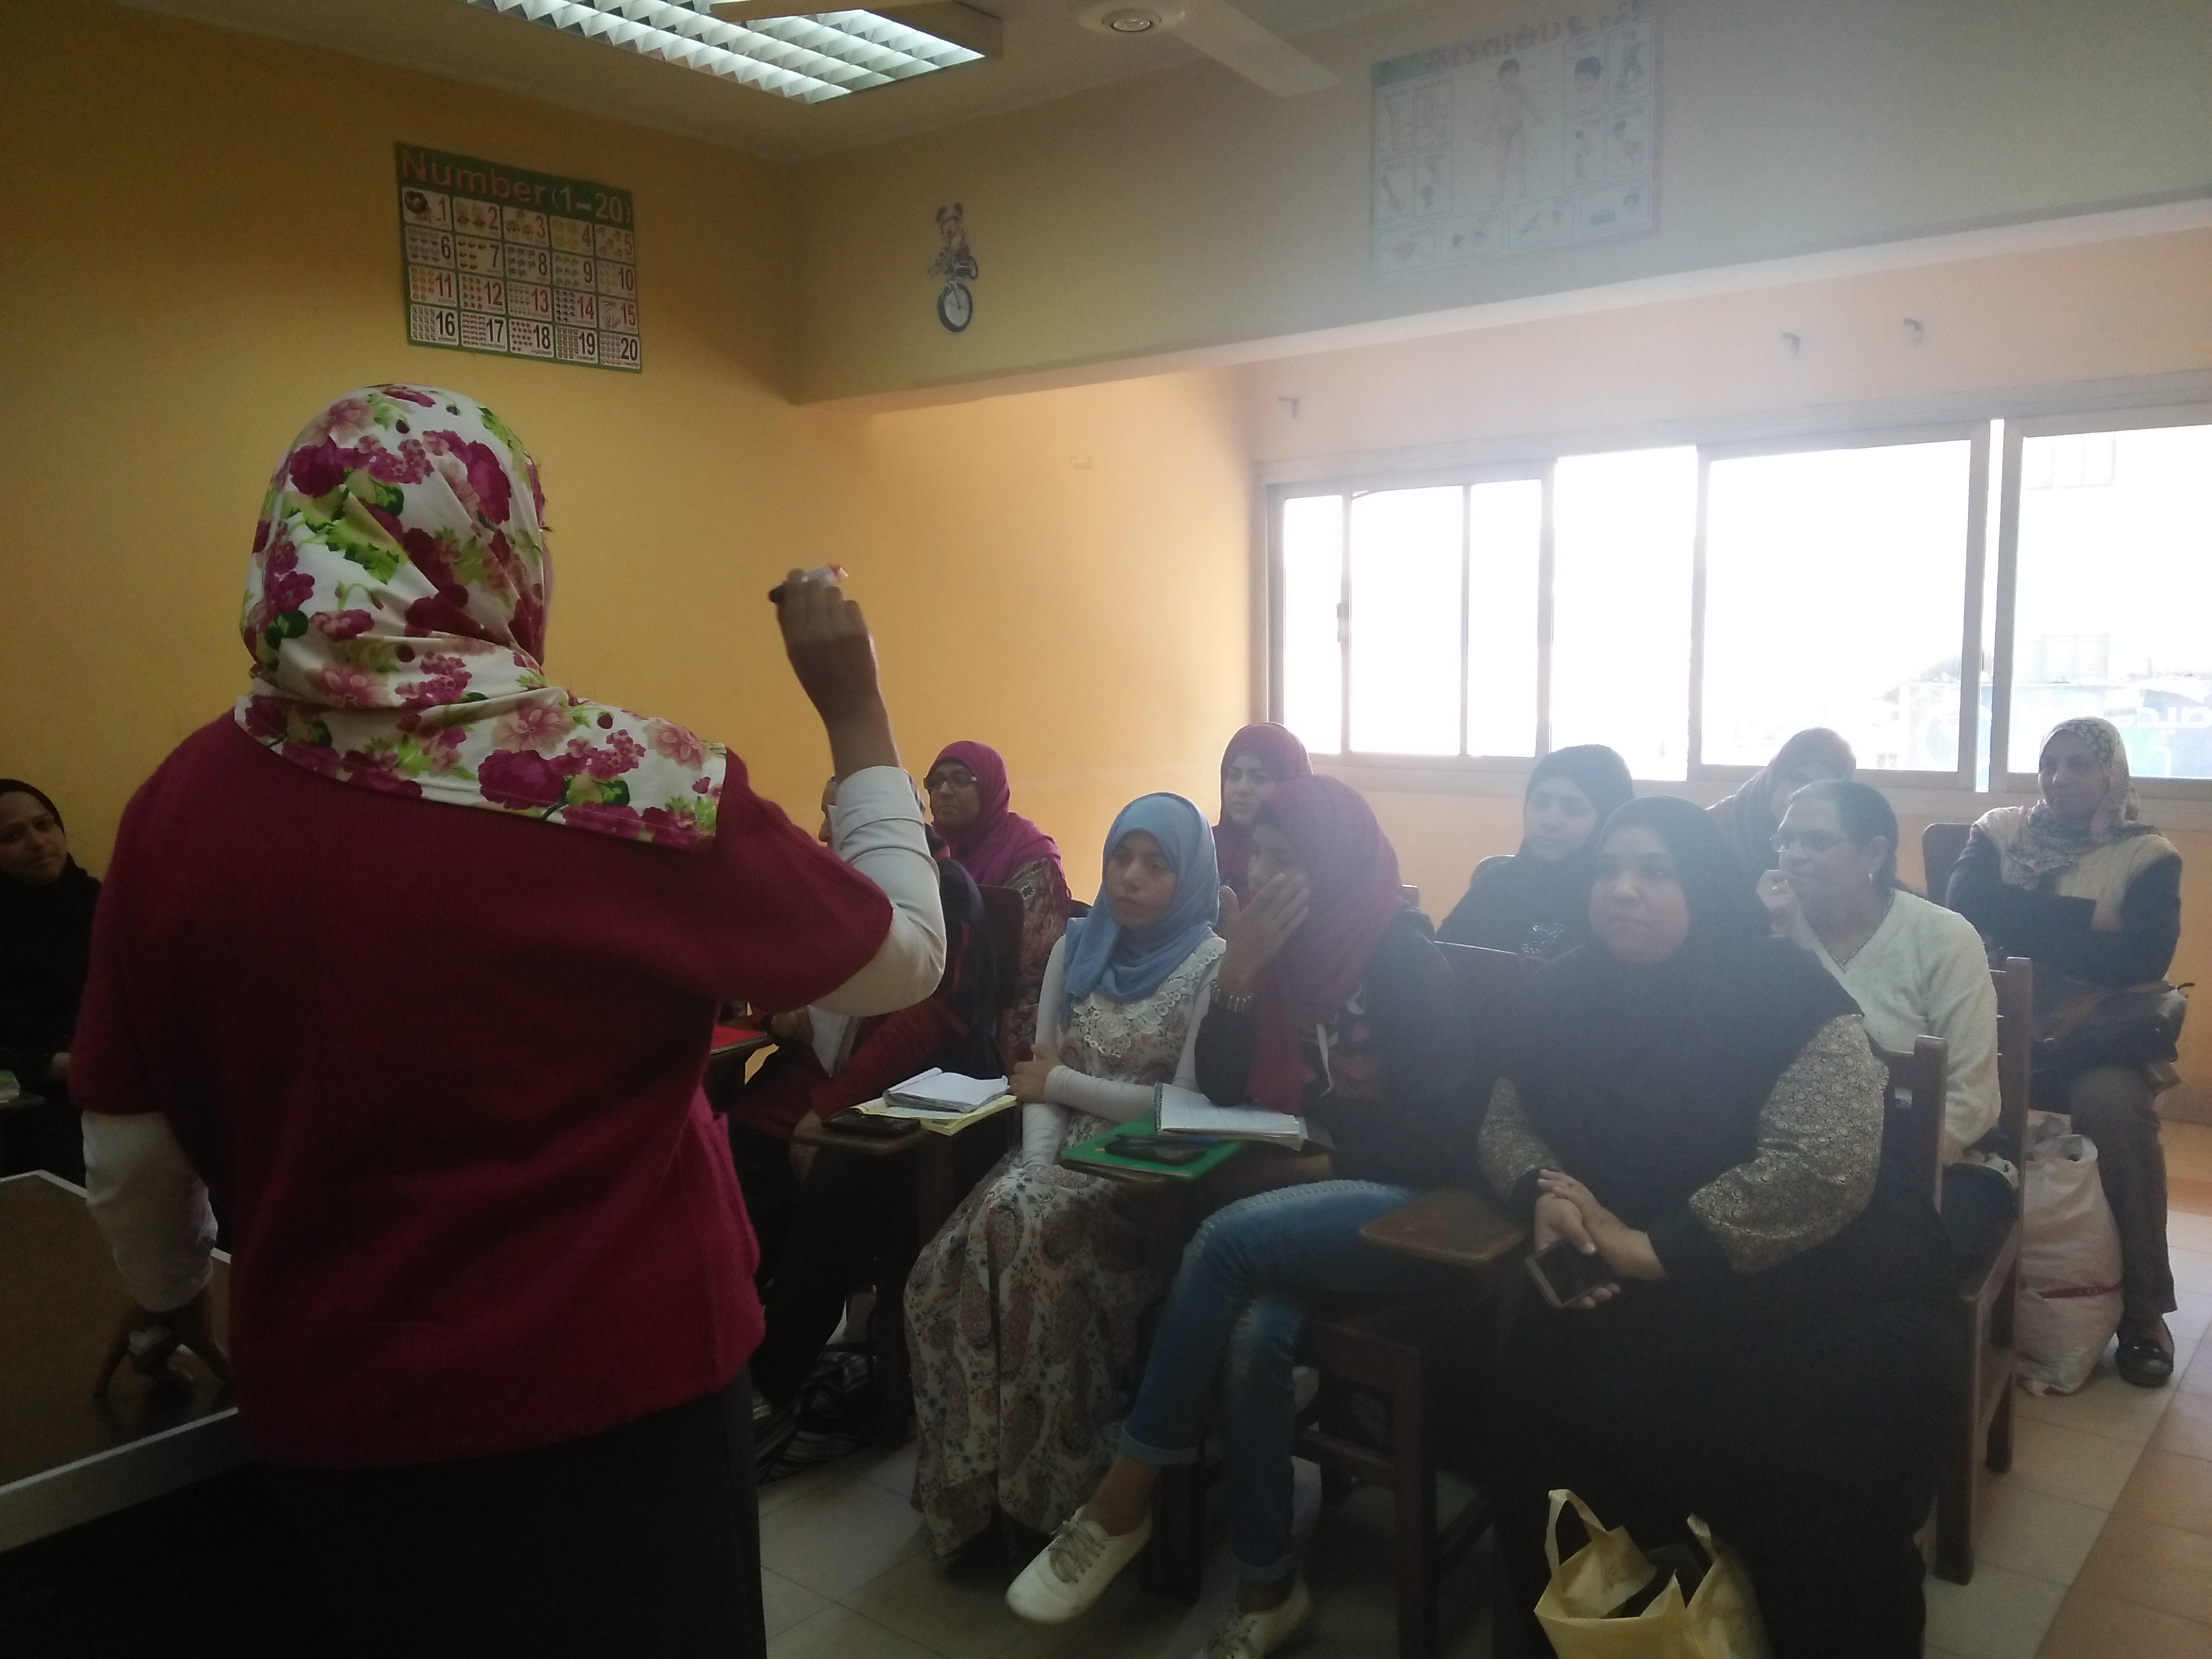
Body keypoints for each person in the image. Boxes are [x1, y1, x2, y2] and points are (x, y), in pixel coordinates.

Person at [70, 385, 947, 1659]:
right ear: (501, 548)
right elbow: (905, 954)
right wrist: (854, 708)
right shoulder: (625, 789)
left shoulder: (174, 812)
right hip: (622, 1414)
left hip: (338, 1421)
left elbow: (130, 1144)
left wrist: (165, 1297)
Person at [1004, 777, 1481, 1659]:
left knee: (1223, 1242)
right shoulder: (1275, 952)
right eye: (1256, 853)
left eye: (1285, 859)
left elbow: (1445, 1136)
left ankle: (1121, 1501)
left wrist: (1321, 1154)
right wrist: (1238, 977)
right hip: (1301, 1200)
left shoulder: (1401, 956)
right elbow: (1222, 1093)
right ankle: (1269, 1589)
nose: (1260, 875)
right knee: (1254, 1332)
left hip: (1412, 1211)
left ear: (1332, 865)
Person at [1481, 797, 1957, 1659]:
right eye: (1607, 870)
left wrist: (1653, 1250)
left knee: (1830, 1457)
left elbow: (1825, 1167)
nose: (1623, 890)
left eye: (1656, 872)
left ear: (1704, 884)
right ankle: (1599, 1628)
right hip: (1627, 1287)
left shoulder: (1783, 993)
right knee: (1529, 1407)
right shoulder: (1561, 991)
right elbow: (1509, 1120)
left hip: (1811, 1283)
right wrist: (1542, 1194)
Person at [906, 793, 1225, 1561]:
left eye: (1156, 865)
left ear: (1188, 878)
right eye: (1120, 857)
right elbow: (1035, 1088)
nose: (1130, 877)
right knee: (934, 1278)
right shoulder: (1076, 947)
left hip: (1141, 1188)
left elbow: (1181, 1108)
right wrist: (1036, 1171)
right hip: (1045, 1169)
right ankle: (975, 1499)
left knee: (1023, 1255)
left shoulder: (1210, 963)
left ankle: (1040, 1506)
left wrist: (1062, 1087)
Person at [722, 779, 1006, 1477]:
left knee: (837, 1186)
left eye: (838, 819)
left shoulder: (947, 892)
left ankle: (773, 1384)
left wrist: (829, 1107)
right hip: (818, 1079)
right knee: (729, 1157)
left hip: (915, 1098)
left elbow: (923, 1023)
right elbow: (776, 971)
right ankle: (719, 1363)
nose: (824, 836)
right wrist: (777, 1012)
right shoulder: (831, 884)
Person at [1947, 716, 2184, 1387]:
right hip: (1991, 1017)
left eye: (2080, 764)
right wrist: (2092, 920)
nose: (2060, 779)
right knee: (1938, 1092)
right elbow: (1964, 907)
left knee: (2114, 1109)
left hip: (2091, 1031)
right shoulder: (2001, 829)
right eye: (2050, 764)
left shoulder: (2148, 854)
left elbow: (2142, 958)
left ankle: (2144, 1311)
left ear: (2113, 773)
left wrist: (2016, 917)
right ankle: (1960, 1287)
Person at [1760, 779, 2007, 1265]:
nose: (1795, 857)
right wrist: (1763, 937)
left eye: (1817, 842)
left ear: (1873, 853)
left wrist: (1865, 1170)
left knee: (1887, 1258)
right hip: (1793, 1157)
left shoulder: (1943, 937)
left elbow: (1973, 1100)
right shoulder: (1773, 934)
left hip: (1931, 1159)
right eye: (1786, 841)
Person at [927, 740, 1069, 1062]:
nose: (944, 791)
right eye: (935, 782)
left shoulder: (1030, 852)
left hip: (1007, 1008)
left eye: (959, 779)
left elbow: (1026, 953)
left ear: (989, 786)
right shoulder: (925, 849)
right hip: (930, 996)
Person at [1439, 745, 1634, 958]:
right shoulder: (1496, 884)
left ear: (1608, 819)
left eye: (1573, 810)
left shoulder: (1619, 901)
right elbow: (1440, 961)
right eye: (1540, 803)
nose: (1550, 821)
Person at [0, 780, 98, 1183]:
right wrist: (47, 1065)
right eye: (12, 836)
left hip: (119, 1081)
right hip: (31, 1100)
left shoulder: (101, 904)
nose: (38, 843)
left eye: (44, 825)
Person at [1706, 727, 1856, 885]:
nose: (1803, 796)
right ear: (1775, 777)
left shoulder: (1841, 847)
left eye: (1821, 788)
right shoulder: (1711, 829)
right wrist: (1755, 901)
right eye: (1798, 780)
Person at [1212, 722, 1312, 901]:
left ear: (1290, 785)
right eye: (1234, 776)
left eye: (1259, 778)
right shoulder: (1205, 847)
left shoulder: (1304, 857)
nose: (1242, 789)